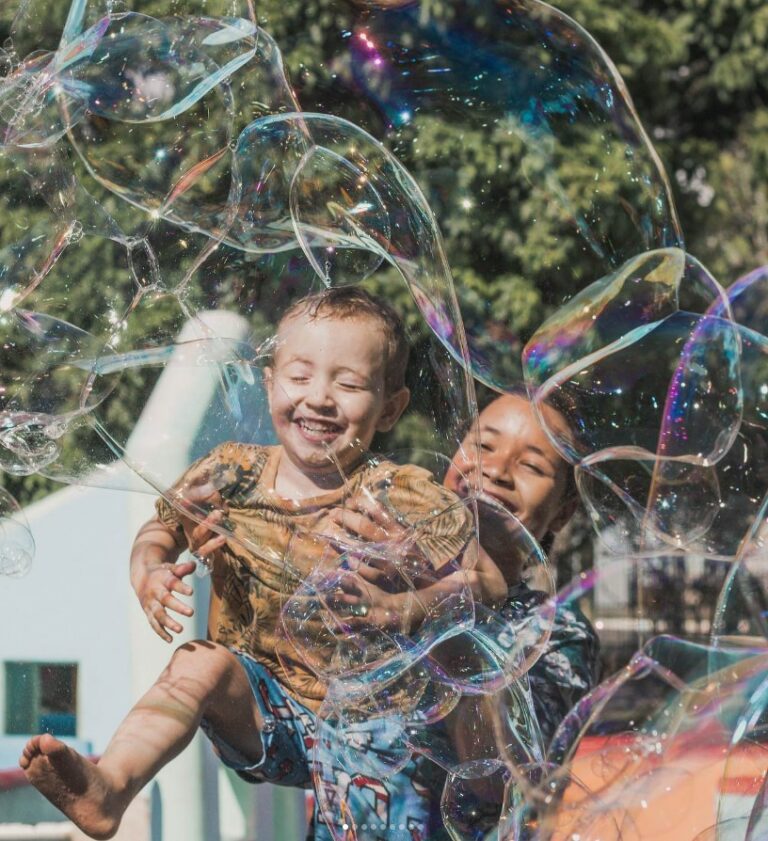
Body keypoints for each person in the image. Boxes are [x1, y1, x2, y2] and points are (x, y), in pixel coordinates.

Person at [18, 287, 489, 840]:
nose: (320, 397)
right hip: (263, 710)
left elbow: (481, 580)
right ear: (269, 384)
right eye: (300, 375)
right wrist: (149, 570)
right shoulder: (230, 471)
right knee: (198, 662)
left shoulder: (400, 494)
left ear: (389, 408)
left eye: (349, 383)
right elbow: (160, 528)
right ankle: (112, 787)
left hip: (373, 724)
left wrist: (404, 602)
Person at [319, 390, 600, 839]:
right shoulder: (371, 578)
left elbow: (497, 783)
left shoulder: (556, 631)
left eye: (531, 465)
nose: (495, 470)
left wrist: (438, 603)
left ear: (563, 512)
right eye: (482, 445)